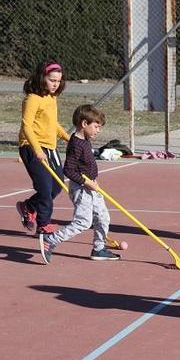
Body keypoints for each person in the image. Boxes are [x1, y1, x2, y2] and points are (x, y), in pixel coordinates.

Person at [39, 105, 119, 263]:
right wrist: (85, 182)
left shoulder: (86, 140)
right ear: (84, 123)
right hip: (81, 188)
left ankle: (99, 248)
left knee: (103, 217)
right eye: (96, 126)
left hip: (92, 185)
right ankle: (51, 240)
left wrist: (92, 181)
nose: (98, 130)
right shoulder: (76, 144)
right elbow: (68, 170)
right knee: (83, 222)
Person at [16, 60, 70, 236]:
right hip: (32, 147)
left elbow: (52, 123)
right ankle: (43, 224)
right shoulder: (32, 99)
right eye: (51, 80)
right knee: (45, 188)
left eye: (58, 81)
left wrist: (68, 138)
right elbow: (27, 126)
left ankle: (29, 206)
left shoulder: (52, 98)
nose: (55, 84)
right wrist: (37, 150)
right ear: (42, 77)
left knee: (57, 185)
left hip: (50, 148)